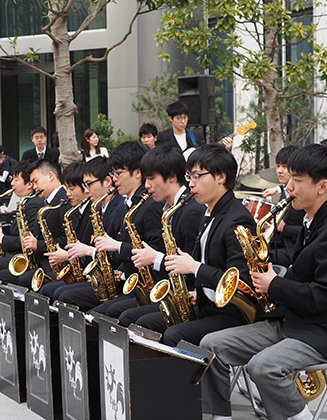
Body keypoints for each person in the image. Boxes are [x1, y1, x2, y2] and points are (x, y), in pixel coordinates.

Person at [199, 143, 327, 420]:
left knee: (263, 367)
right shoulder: (311, 220)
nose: (289, 187)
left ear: (322, 186)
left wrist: (274, 284)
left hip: (325, 331)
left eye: (298, 180)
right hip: (294, 321)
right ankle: (220, 416)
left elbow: (323, 296)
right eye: (290, 178)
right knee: (210, 345)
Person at [134, 144, 255, 346]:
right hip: (207, 305)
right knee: (143, 323)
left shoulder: (237, 220)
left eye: (197, 176)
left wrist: (195, 268)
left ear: (221, 177)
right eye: (190, 177)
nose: (191, 184)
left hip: (231, 313)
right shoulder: (209, 212)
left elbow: (240, 283)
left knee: (174, 335)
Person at [121, 145, 206, 329]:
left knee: (132, 319)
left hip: (190, 299)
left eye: (152, 178)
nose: (147, 185)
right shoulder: (166, 208)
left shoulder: (190, 210)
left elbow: (192, 264)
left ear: (172, 176)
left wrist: (155, 259)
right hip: (172, 291)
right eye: (146, 179)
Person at [90, 141, 167, 319]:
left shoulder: (149, 204)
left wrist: (117, 247)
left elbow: (155, 250)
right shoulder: (131, 203)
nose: (114, 179)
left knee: (108, 314)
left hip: (149, 286)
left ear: (137, 173)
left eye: (119, 173)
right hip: (131, 281)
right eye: (113, 173)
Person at [57, 156, 126, 311]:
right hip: (105, 276)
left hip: (118, 282)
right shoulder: (102, 207)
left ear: (107, 181)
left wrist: (89, 252)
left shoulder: (118, 209)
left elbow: (117, 255)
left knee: (63, 295)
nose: (86, 190)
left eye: (88, 184)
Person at [0, 159, 69, 288]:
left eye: (36, 181)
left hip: (54, 264)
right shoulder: (47, 202)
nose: (34, 186)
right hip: (42, 261)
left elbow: (65, 239)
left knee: (20, 280)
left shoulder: (63, 201)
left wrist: (37, 245)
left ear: (50, 176)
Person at [39, 161, 92, 301]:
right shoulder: (78, 209)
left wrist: (68, 255)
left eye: (72, 189)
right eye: (66, 188)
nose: (67, 194)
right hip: (79, 268)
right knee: (47, 289)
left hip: (89, 273)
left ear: (85, 187)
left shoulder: (91, 211)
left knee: (57, 293)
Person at [261, 145, 305, 267]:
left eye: (284, 167)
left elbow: (308, 231)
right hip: (280, 244)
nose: (279, 170)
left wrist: (284, 228)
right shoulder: (285, 191)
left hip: (293, 250)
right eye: (278, 166)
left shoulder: (303, 196)